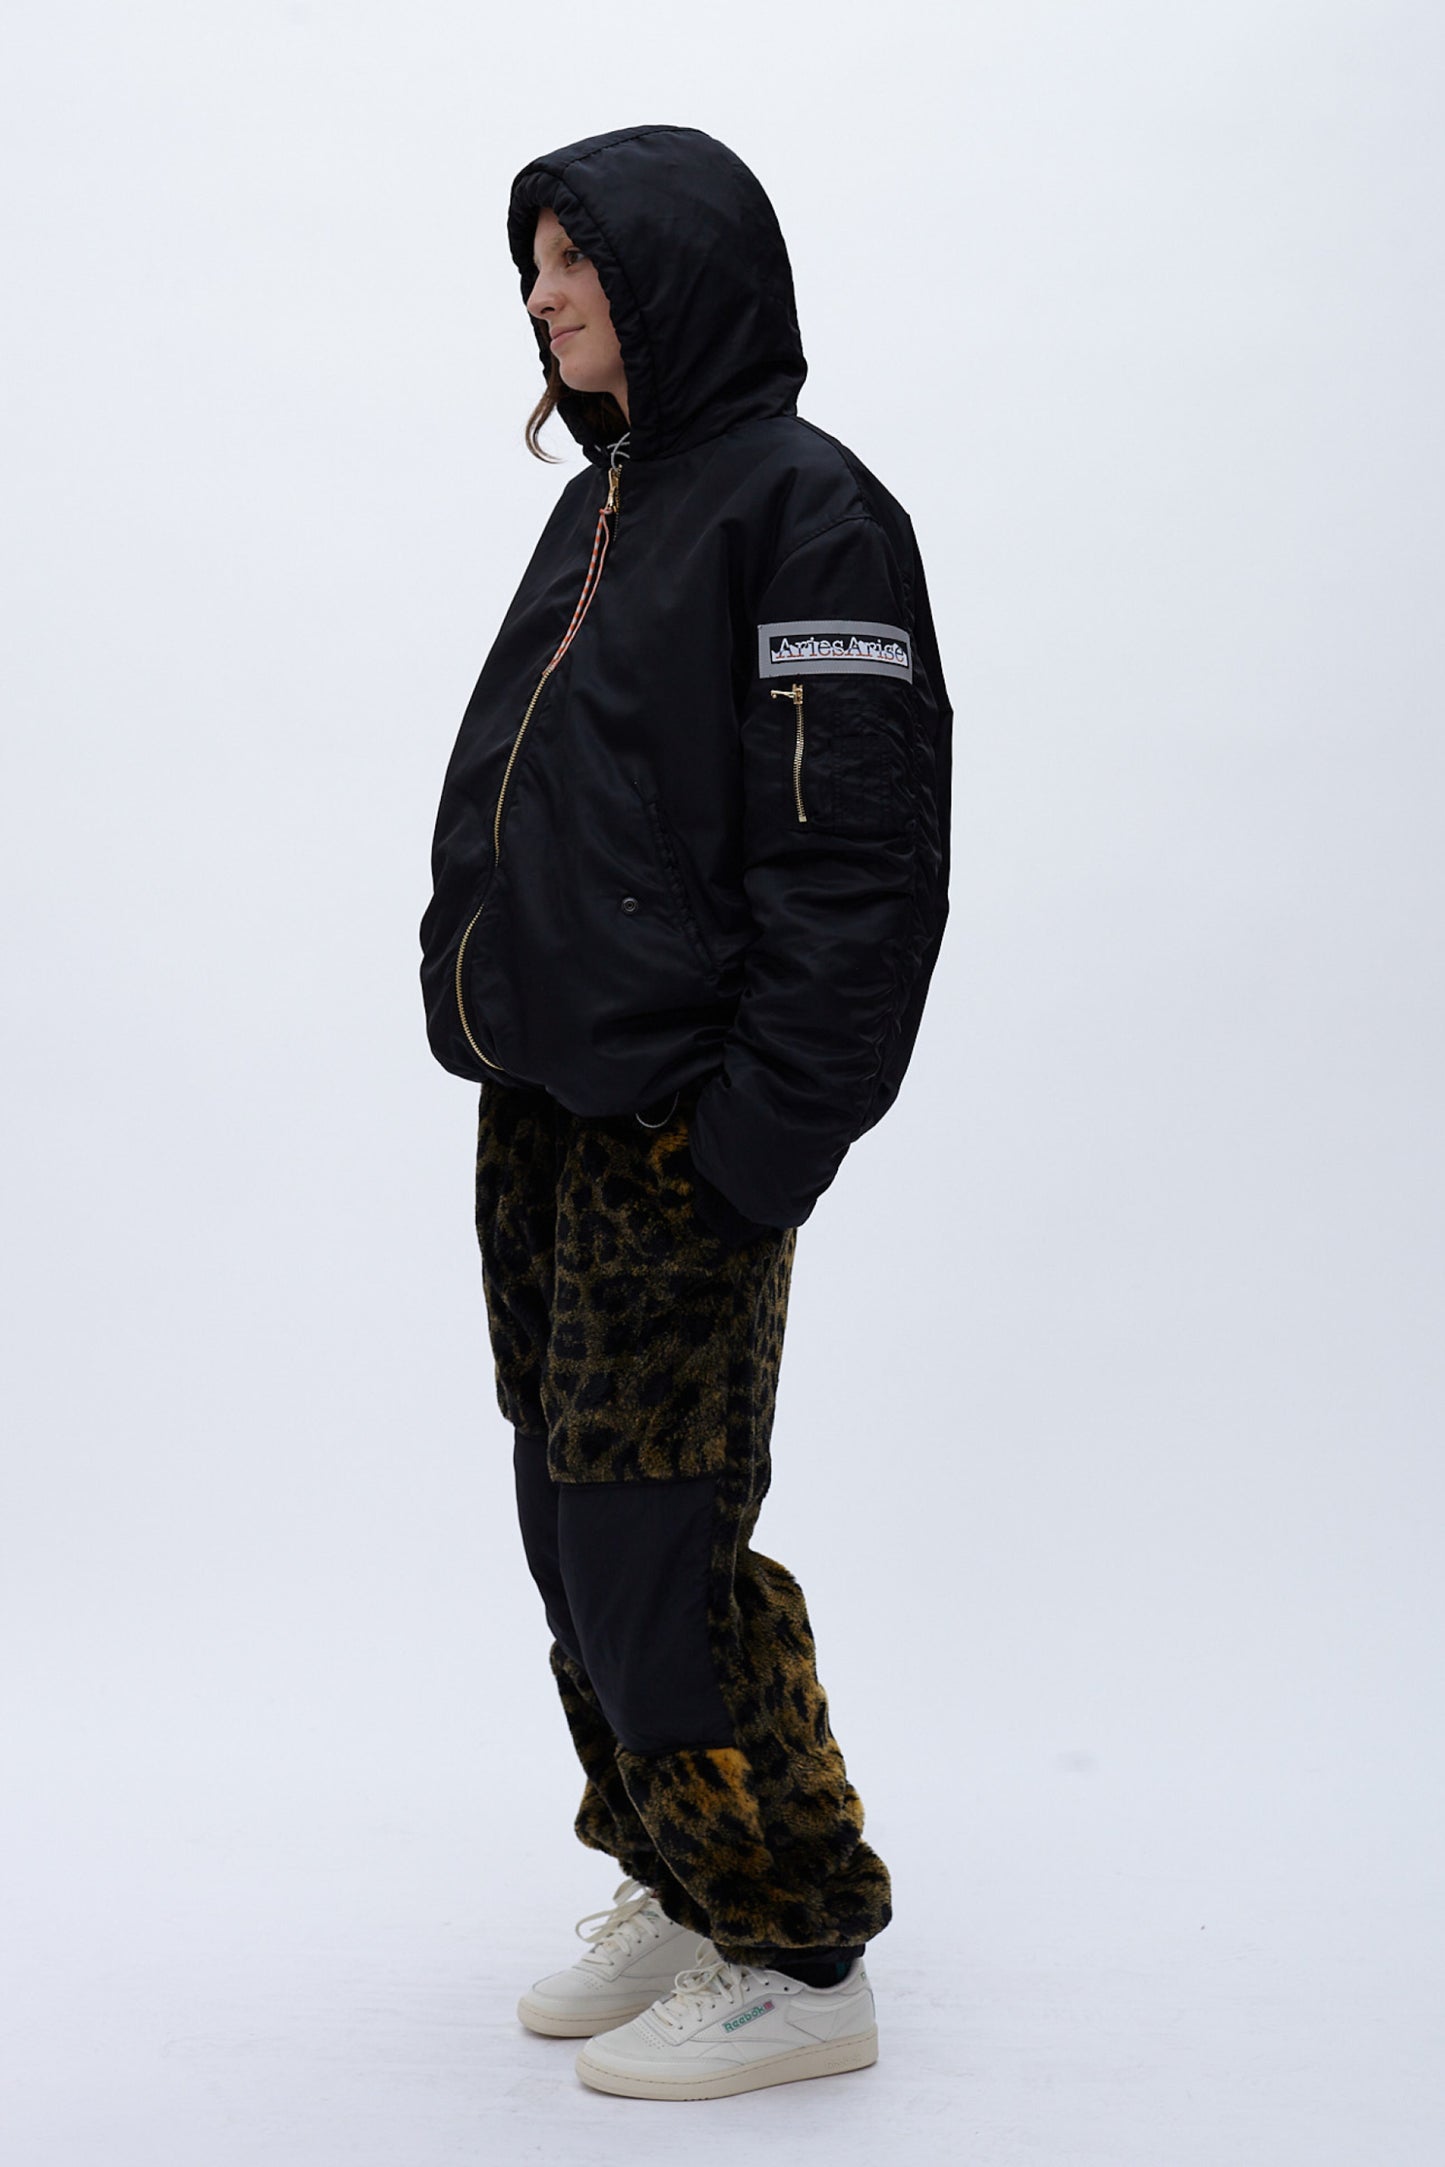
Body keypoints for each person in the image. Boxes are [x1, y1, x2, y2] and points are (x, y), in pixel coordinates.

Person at [419, 123, 952, 2102]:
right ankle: (674, 1861)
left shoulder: (807, 512)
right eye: (533, 266)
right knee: (569, 1529)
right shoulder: (607, 503)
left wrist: (759, 1137)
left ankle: (797, 1946)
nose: (543, 297)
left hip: (675, 1126)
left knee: (655, 1541)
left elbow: (860, 864)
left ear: (678, 277)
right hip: (547, 1115)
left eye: (577, 261)